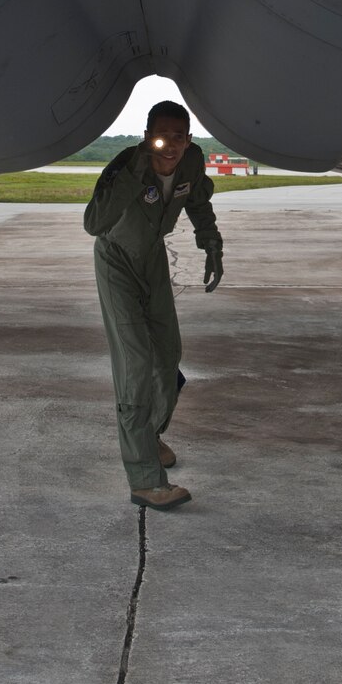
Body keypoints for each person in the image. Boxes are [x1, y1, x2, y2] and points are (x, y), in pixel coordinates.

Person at [83, 100, 224, 511]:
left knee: (167, 355)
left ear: (188, 139)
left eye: (179, 137)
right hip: (116, 260)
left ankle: (150, 434)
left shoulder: (191, 162)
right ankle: (145, 479)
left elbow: (198, 202)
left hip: (153, 258)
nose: (170, 146)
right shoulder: (125, 167)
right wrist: (135, 171)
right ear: (147, 136)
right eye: (162, 137)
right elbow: (94, 223)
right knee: (136, 363)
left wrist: (211, 244)